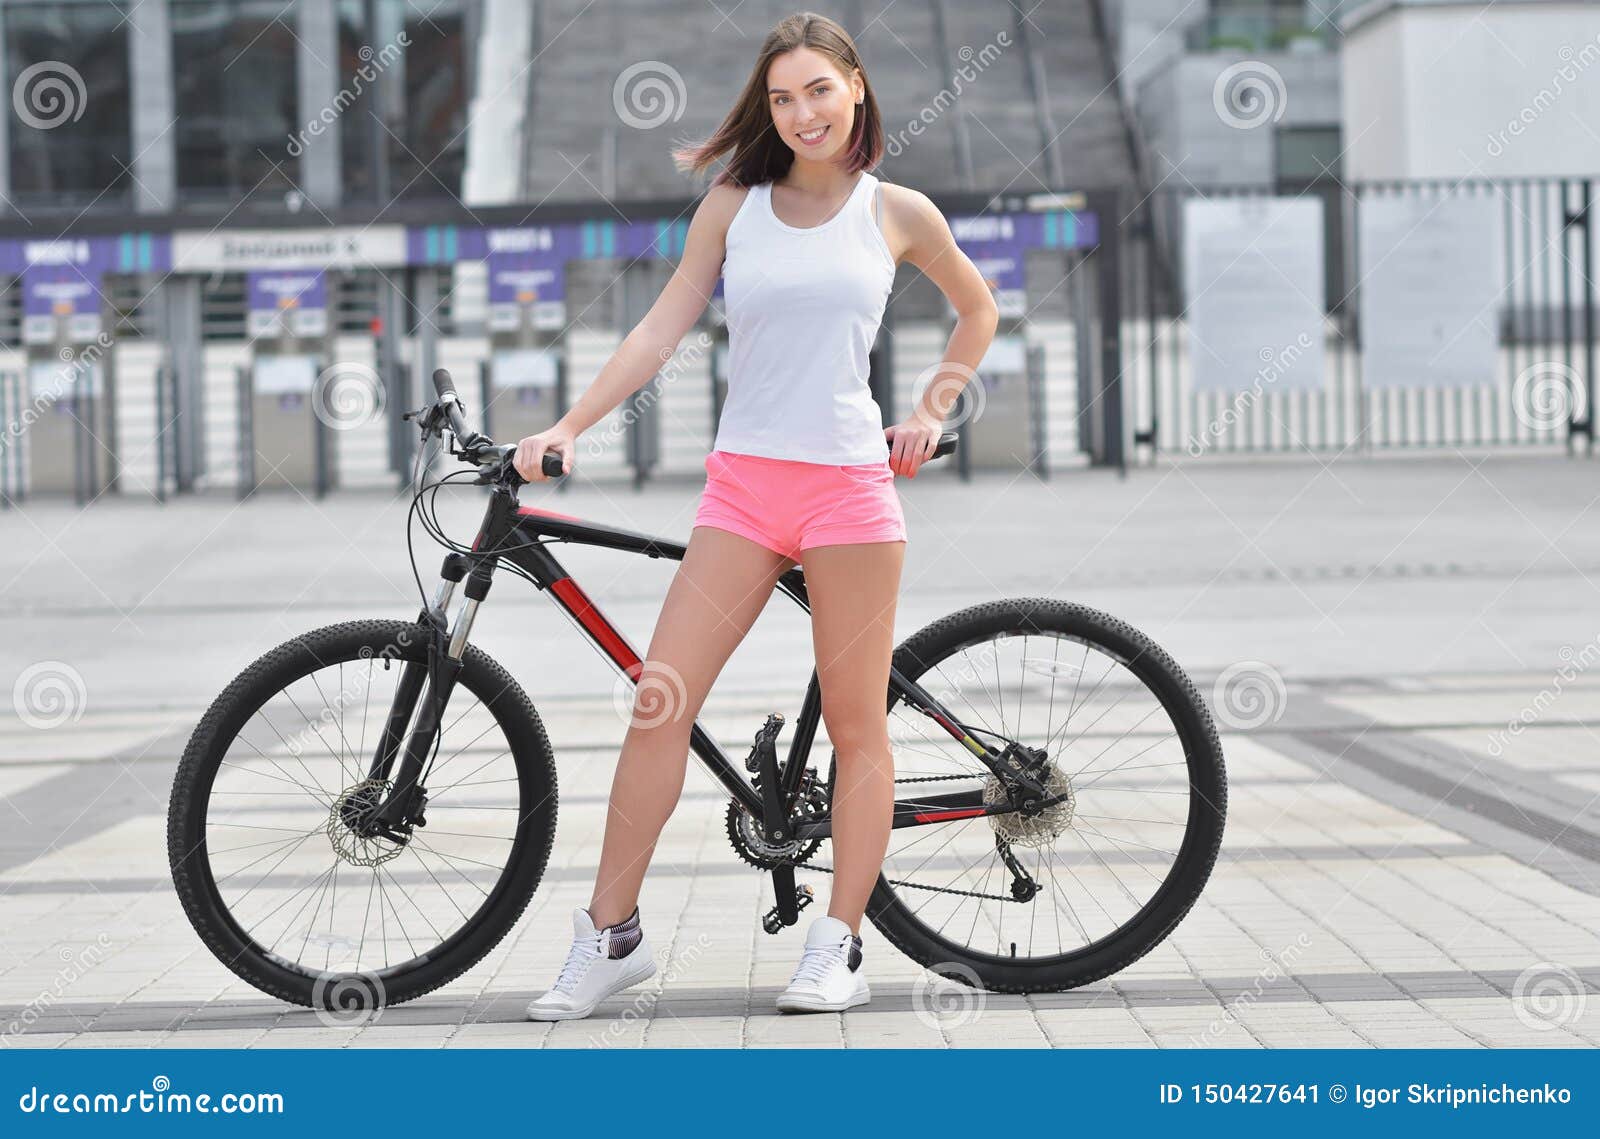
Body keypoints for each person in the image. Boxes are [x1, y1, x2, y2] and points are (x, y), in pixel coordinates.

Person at [514, 10, 998, 1020]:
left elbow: (976, 307)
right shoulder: (734, 206)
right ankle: (609, 936)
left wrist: (929, 409)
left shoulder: (896, 210)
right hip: (744, 487)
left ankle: (838, 941)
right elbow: (659, 326)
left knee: (858, 725)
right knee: (660, 698)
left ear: (855, 89)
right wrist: (570, 423)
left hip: (849, 491)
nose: (801, 111)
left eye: (817, 90)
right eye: (782, 98)